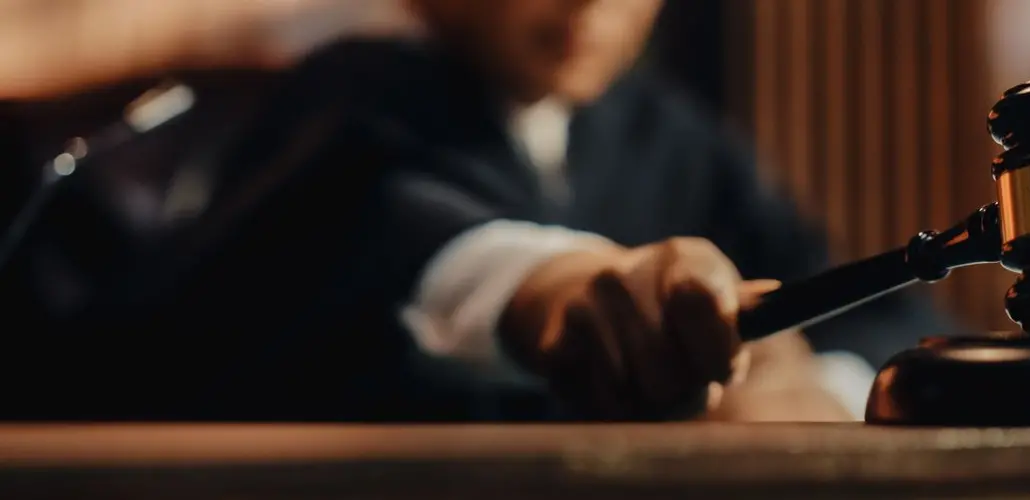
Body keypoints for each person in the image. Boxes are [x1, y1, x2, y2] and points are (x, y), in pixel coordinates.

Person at [6, 0, 961, 422]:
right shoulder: (345, 94)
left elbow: (881, 313)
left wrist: (822, 387)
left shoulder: (669, 132)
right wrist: (568, 292)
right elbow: (392, 228)